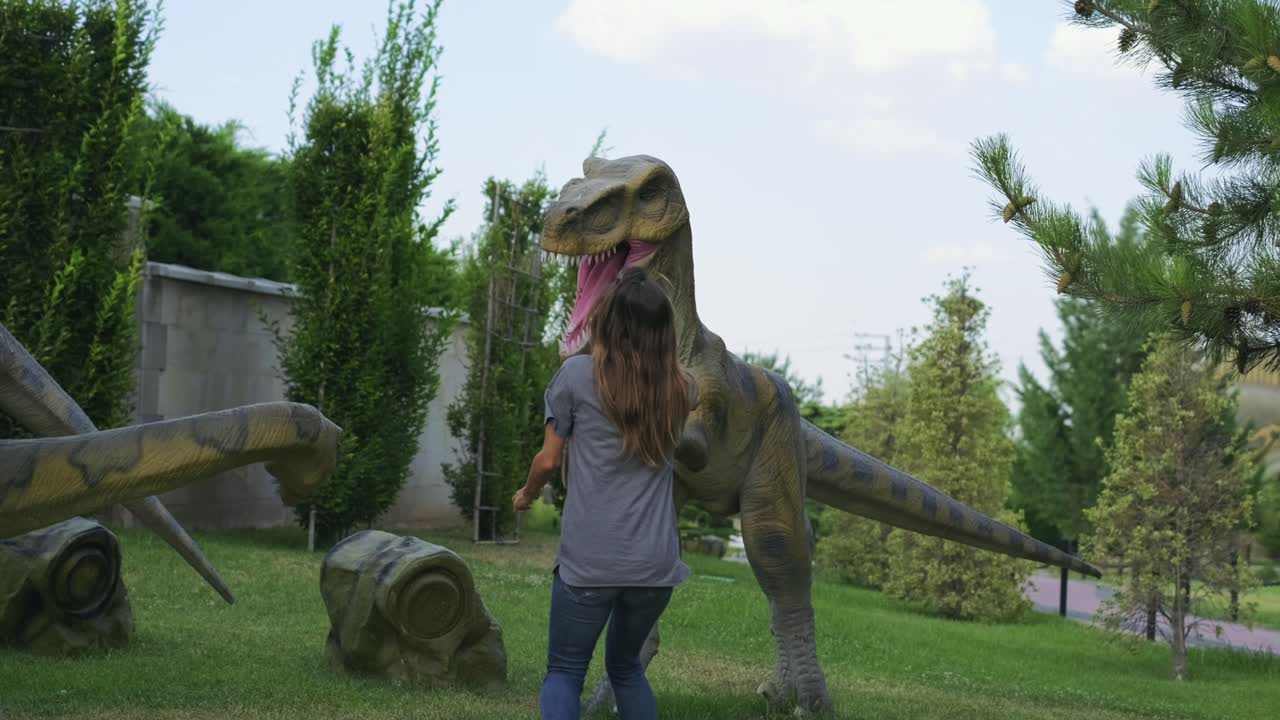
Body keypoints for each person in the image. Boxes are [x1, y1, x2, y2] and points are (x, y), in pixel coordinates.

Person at [512, 266, 695, 720]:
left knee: (565, 671)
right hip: (655, 566)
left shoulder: (575, 377)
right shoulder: (683, 387)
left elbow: (549, 460)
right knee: (627, 668)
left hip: (590, 562)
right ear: (662, 332)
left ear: (607, 320)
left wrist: (527, 493)